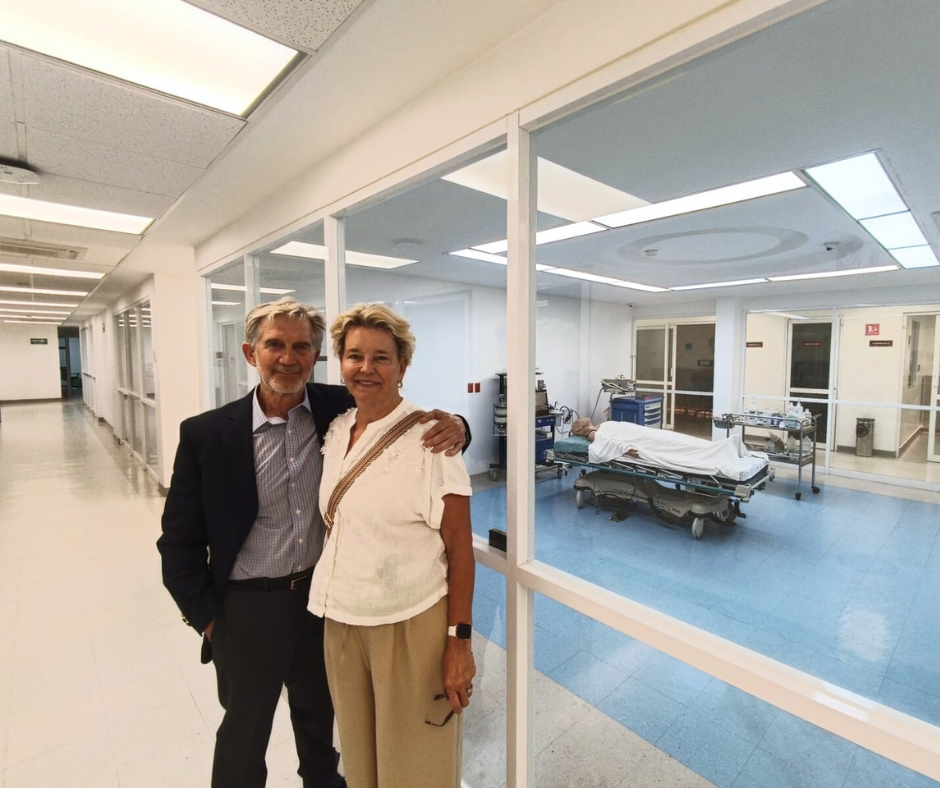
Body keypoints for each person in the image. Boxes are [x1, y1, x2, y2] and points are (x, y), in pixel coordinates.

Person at [157, 298, 469, 788]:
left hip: (320, 607)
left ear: (317, 356)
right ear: (250, 352)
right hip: (246, 610)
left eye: (301, 347)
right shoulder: (207, 435)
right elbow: (177, 542)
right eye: (274, 345)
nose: (288, 358)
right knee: (243, 739)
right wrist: (211, 622)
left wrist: (460, 427)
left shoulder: (336, 408)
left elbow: (403, 420)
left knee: (321, 734)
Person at [307, 303, 475, 788]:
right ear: (340, 362)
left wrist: (459, 642)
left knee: (415, 767)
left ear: (403, 365)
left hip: (409, 624)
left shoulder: (432, 442)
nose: (366, 368)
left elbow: (460, 550)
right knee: (361, 762)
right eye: (354, 356)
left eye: (381, 357)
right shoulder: (337, 430)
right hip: (340, 620)